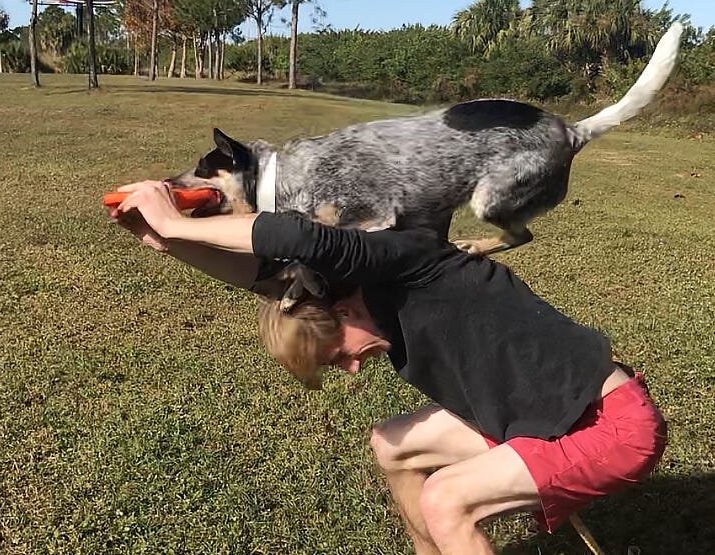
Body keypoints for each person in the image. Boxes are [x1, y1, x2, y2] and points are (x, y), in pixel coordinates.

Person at [109, 180, 667, 555]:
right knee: (391, 444)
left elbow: (295, 236)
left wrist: (179, 224)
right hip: (547, 411)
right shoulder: (359, 298)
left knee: (447, 498)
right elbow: (266, 276)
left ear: (343, 309)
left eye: (340, 356)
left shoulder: (406, 266)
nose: (352, 369)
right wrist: (166, 241)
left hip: (609, 425)